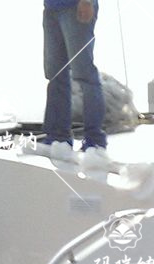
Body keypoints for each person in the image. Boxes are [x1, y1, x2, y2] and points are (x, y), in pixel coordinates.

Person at [43, 0, 107, 153]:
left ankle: (95, 141)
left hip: (75, 7)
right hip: (51, 9)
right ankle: (58, 137)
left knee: (84, 73)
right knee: (55, 75)